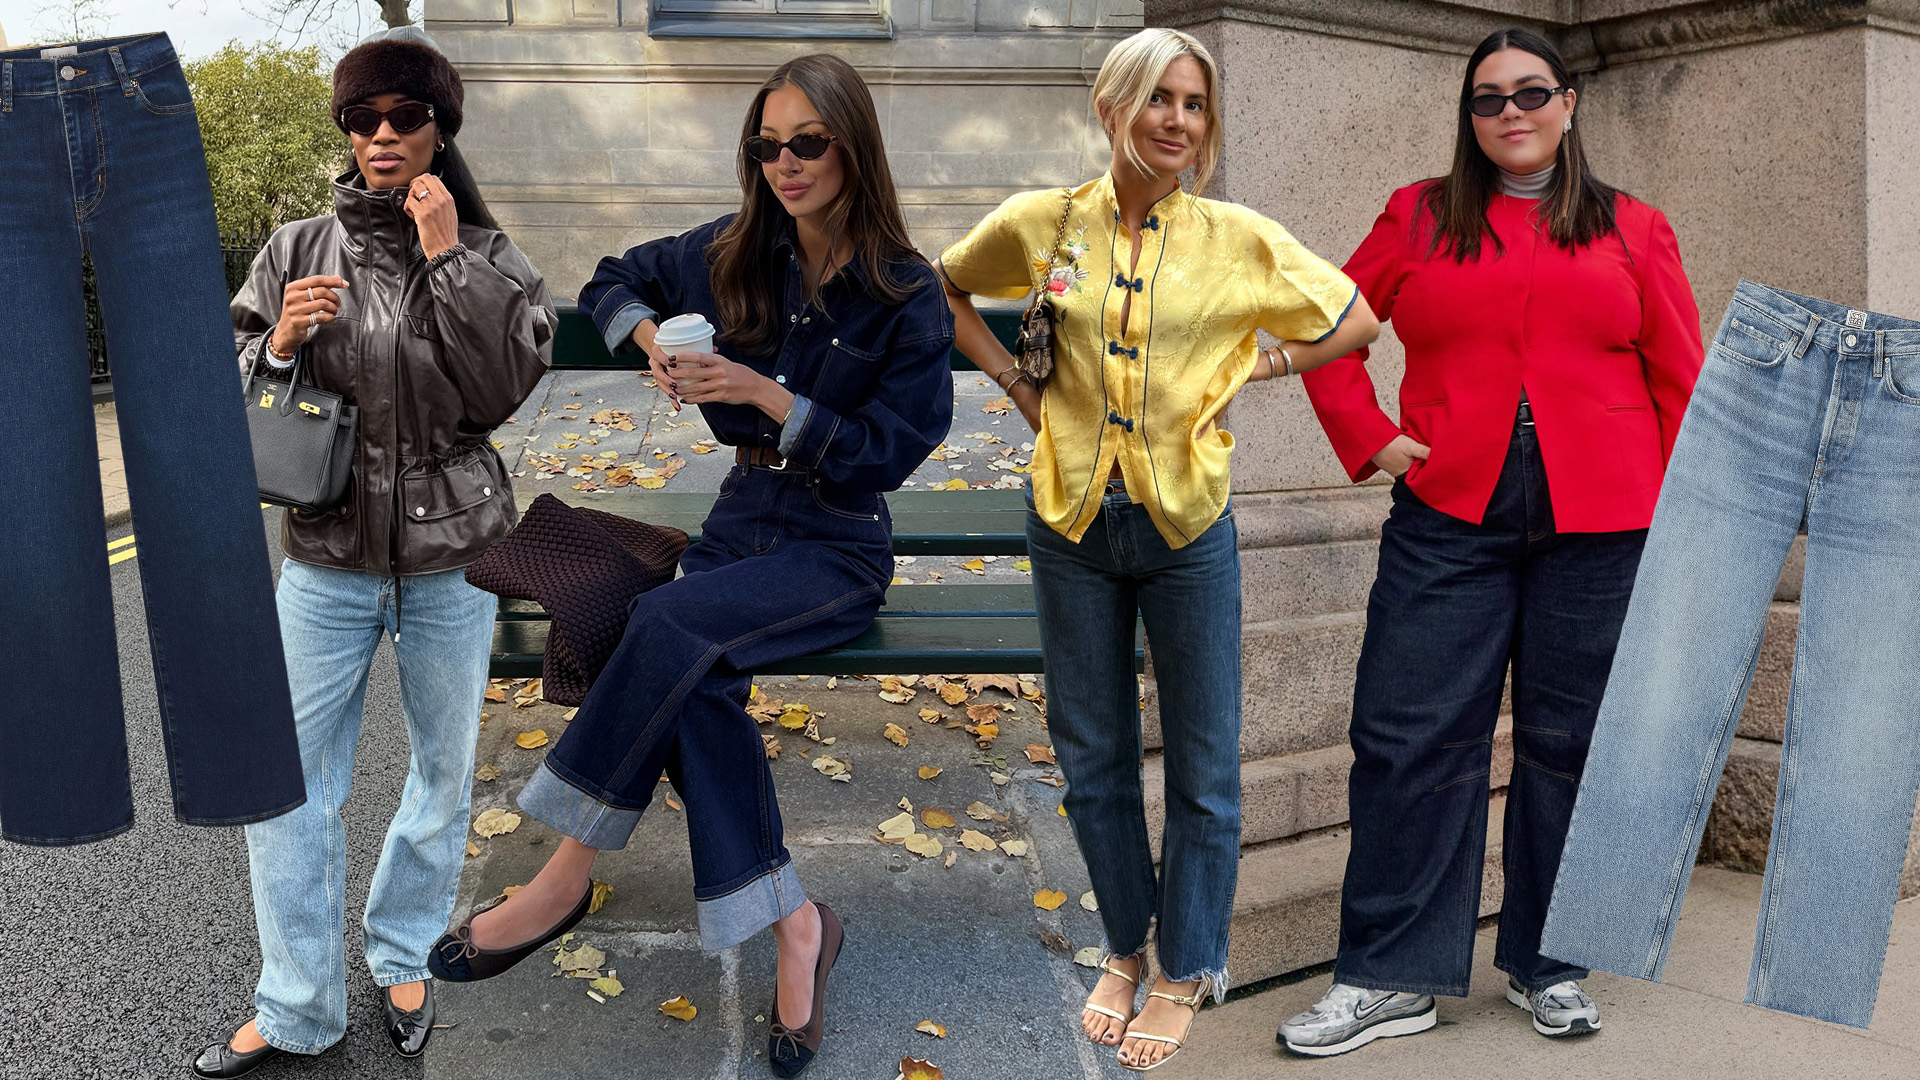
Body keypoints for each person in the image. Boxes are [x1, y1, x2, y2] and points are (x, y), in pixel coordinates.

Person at [424, 54, 954, 1080]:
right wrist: (647, 339)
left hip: (836, 542)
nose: (785, 163)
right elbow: (610, 277)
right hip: (740, 518)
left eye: (808, 143)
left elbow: (886, 451)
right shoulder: (732, 249)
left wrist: (764, 394)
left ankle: (563, 875)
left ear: (853, 147)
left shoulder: (906, 290)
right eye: (767, 145)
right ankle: (798, 923)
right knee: (694, 681)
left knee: (661, 626)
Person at [939, 27, 1378, 1072]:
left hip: (1187, 527)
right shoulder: (1045, 223)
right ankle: (1127, 949)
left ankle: (1186, 966)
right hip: (1071, 522)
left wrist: (1261, 366)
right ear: (1113, 105)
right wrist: (1015, 383)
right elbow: (941, 287)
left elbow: (1357, 319)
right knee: (1091, 757)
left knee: (1203, 761)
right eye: (1159, 98)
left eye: (1194, 103)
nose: (1178, 120)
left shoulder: (1237, 237)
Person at [1280, 26, 1703, 1057]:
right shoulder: (1418, 215)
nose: (1511, 112)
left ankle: (1550, 964)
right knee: (1407, 737)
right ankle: (1391, 976)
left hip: (1604, 522)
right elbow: (1323, 326)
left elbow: (1681, 378)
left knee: (1574, 744)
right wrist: (1372, 438)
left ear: (1570, 104)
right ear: (1469, 118)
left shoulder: (1636, 228)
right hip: (1449, 516)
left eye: (1531, 92)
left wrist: (1688, 523)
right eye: (1488, 99)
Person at [193, 28, 555, 1078]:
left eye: (405, 116)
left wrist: (449, 261)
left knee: (442, 775)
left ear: (441, 129)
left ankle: (402, 953)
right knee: (288, 785)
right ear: (346, 131)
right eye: (363, 118)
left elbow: (502, 391)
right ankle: (297, 1004)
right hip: (326, 556)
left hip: (454, 558)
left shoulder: (488, 254)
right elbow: (219, 385)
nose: (382, 135)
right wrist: (277, 345)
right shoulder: (295, 247)